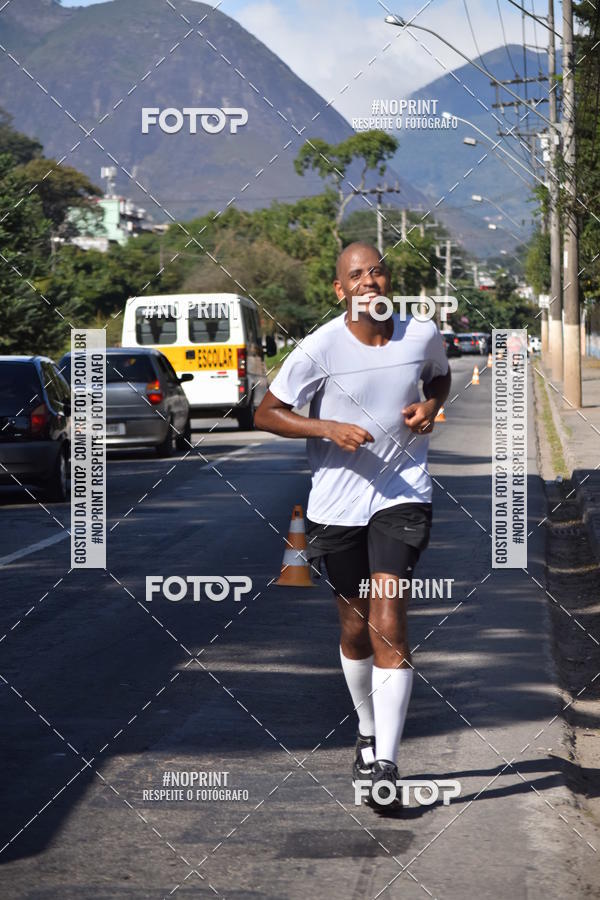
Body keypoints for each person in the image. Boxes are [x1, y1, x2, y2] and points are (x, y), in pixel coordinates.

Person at [254, 242, 451, 810]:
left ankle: (386, 763)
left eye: (377, 272)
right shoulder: (319, 348)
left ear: (388, 281)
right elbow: (265, 413)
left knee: (389, 618)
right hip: (336, 506)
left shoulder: (421, 334)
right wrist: (327, 429)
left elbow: (438, 380)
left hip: (402, 496)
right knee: (355, 626)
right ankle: (366, 730)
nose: (369, 281)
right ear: (340, 289)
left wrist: (429, 407)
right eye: (357, 275)